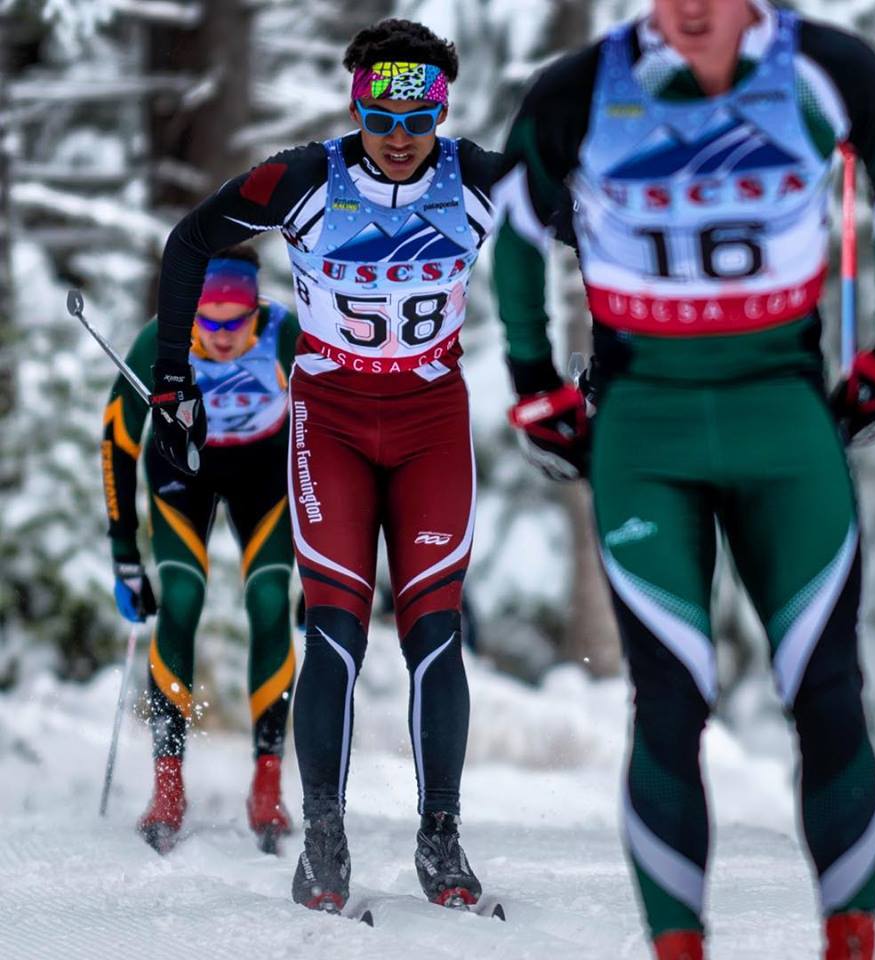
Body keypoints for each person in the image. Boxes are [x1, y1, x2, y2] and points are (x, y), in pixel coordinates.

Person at [492, 1, 875, 958]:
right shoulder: (583, 87)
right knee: (669, 701)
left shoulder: (825, 67)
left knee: (826, 691)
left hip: (783, 424)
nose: (692, 10)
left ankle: (851, 939)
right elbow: (516, 222)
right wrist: (532, 379)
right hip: (645, 434)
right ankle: (677, 945)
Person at [147, 19, 501, 912]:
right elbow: (190, 241)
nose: (398, 139)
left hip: (429, 421)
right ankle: (324, 837)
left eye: (417, 122)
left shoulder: (479, 179)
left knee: (434, 630)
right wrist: (172, 377)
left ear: (441, 114)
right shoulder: (306, 178)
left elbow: (593, 224)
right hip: (331, 421)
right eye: (380, 119)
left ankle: (441, 836)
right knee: (336, 628)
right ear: (355, 108)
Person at [101, 246, 301, 854]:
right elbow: (117, 440)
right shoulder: (161, 338)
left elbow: (333, 431)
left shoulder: (285, 335)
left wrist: (326, 564)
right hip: (181, 474)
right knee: (182, 597)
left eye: (234, 322)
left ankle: (267, 783)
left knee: (270, 600)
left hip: (264, 472)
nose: (219, 335)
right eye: (207, 322)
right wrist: (124, 552)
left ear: (255, 310)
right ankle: (168, 786)